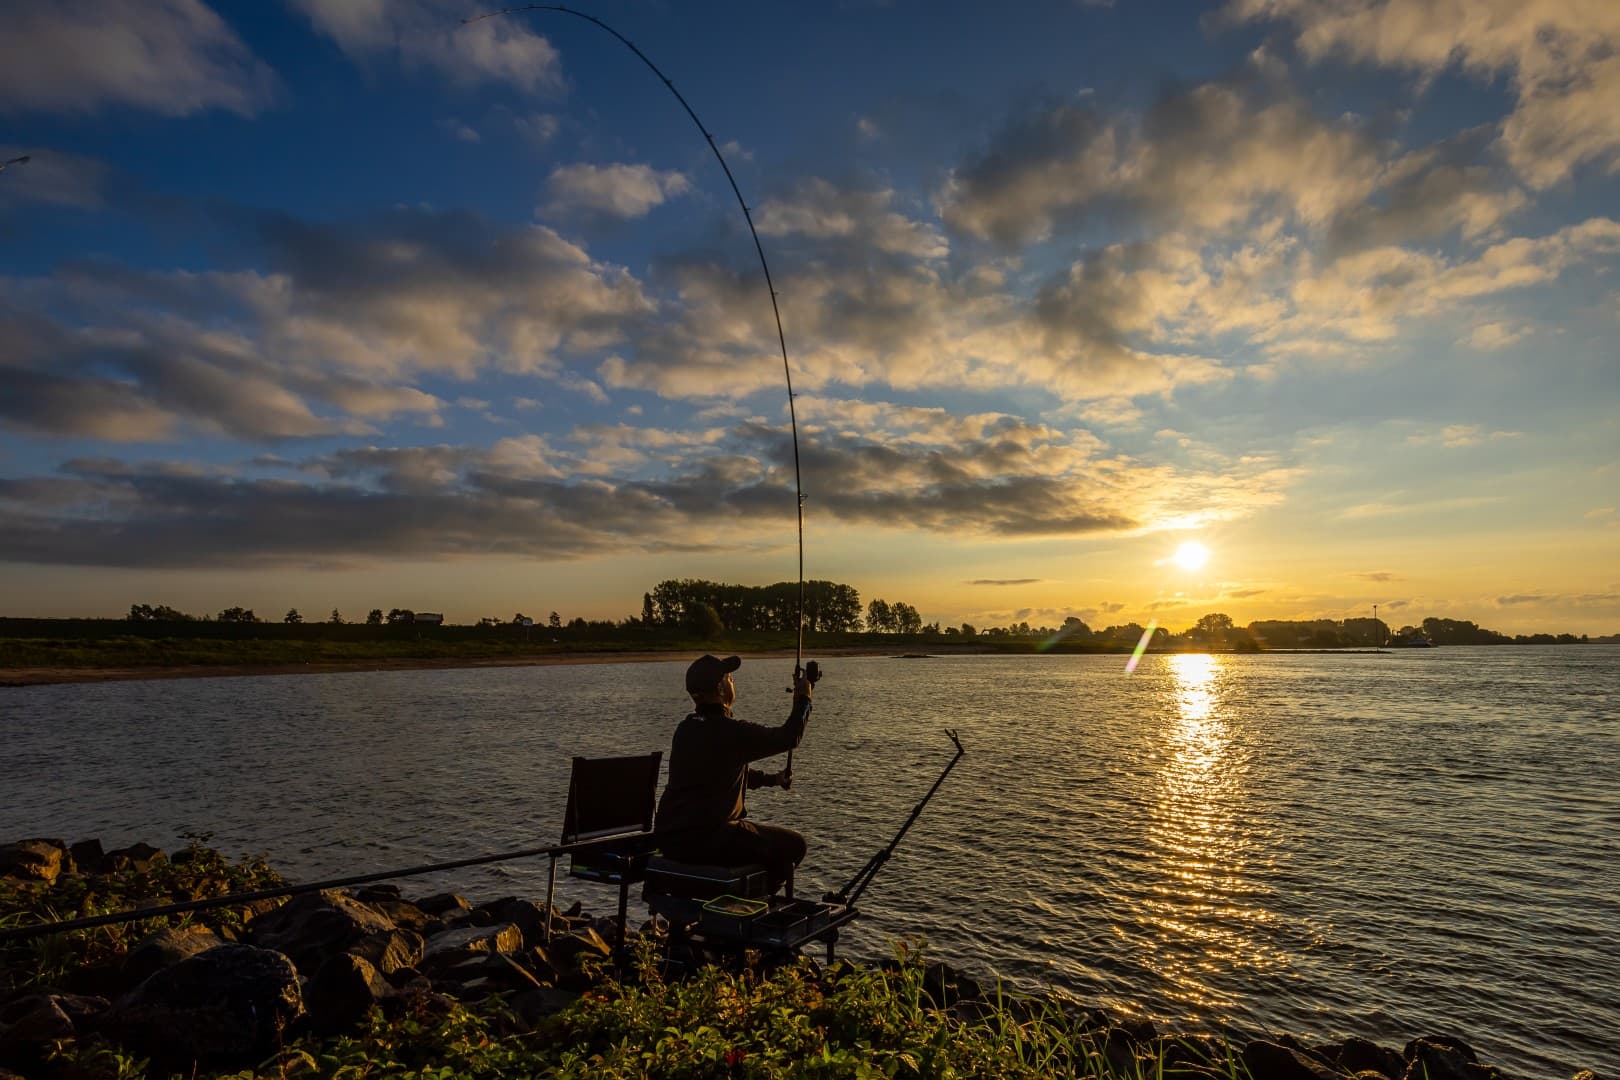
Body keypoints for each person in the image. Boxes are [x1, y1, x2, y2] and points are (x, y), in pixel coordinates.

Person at [653, 653, 813, 895]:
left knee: (756, 840)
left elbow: (720, 772)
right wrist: (804, 701)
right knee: (794, 845)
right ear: (719, 688)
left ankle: (734, 898)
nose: (732, 683)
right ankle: (755, 904)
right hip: (710, 838)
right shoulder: (730, 732)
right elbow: (789, 737)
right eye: (729, 678)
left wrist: (772, 779)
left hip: (671, 839)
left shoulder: (685, 729)